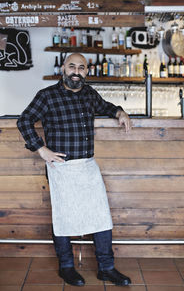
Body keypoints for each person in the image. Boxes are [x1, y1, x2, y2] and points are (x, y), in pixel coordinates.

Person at [17, 53, 132, 286]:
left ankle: (106, 268)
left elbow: (106, 107)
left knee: (101, 217)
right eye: (72, 67)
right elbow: (24, 121)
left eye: (81, 68)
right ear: (63, 69)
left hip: (88, 166)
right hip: (61, 168)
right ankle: (66, 267)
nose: (76, 72)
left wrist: (120, 112)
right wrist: (41, 149)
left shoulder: (90, 94)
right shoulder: (47, 95)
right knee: (63, 217)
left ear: (87, 71)